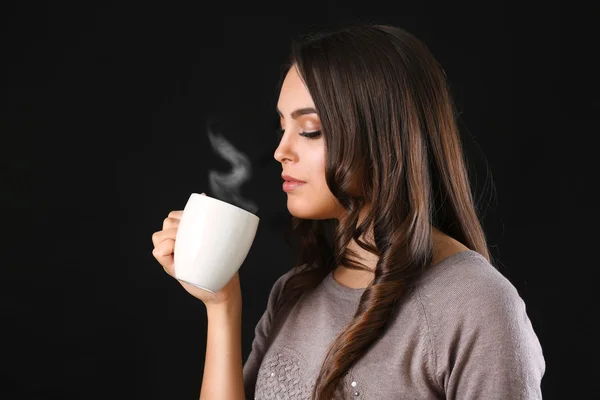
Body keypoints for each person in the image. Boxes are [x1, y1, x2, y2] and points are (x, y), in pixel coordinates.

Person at [151, 24, 546, 400]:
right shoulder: (293, 292)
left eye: (309, 130)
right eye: (281, 128)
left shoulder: (476, 304)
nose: (280, 151)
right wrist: (221, 306)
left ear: (381, 136)